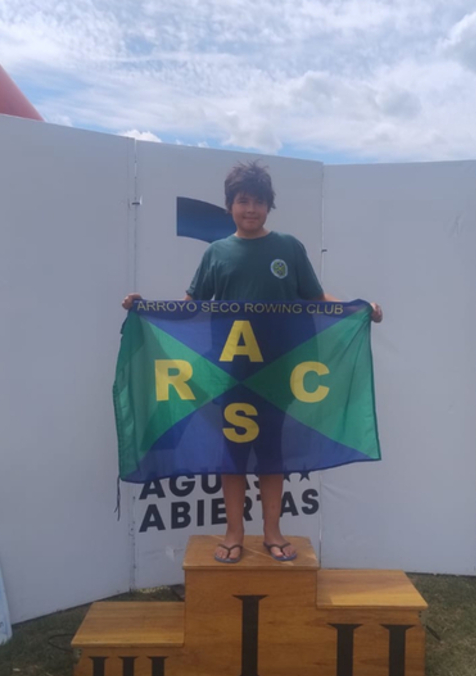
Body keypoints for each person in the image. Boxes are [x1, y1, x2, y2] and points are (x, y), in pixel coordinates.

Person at [123, 161, 382, 564]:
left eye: (259, 202)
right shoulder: (216, 254)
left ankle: (272, 532)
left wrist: (358, 308)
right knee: (232, 455)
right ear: (230, 206)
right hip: (226, 372)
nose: (251, 209)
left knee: (272, 454)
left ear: (269, 207)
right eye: (243, 201)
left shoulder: (288, 248)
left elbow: (316, 300)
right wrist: (145, 309)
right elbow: (189, 308)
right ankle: (233, 533)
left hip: (280, 371)